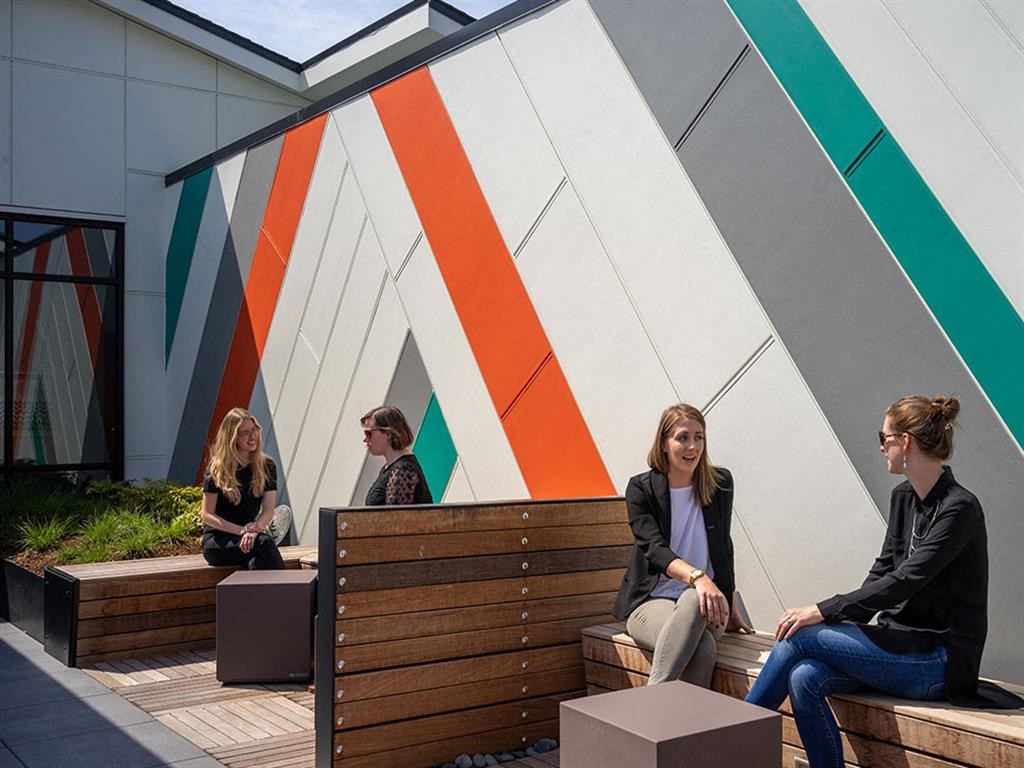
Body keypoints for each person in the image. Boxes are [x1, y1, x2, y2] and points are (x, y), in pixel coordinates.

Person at [745, 395, 1023, 768]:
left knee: (799, 637)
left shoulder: (960, 508)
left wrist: (823, 611)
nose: (880, 446)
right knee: (805, 677)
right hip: (896, 647)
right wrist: (846, 625)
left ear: (905, 441)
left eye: (885, 436)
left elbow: (908, 579)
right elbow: (883, 571)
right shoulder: (903, 497)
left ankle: (723, 743)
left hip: (938, 661)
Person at [612, 403, 753, 689]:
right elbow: (654, 548)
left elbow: (724, 546)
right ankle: (687, 728)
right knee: (701, 649)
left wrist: (732, 603)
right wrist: (698, 577)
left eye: (699, 437)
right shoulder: (641, 488)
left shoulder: (720, 483)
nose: (693, 446)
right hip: (650, 601)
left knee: (693, 600)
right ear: (664, 443)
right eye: (683, 437)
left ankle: (652, 706)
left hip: (710, 604)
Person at [200, 407, 285, 570]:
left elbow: (269, 510)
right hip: (219, 541)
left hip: (250, 539)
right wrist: (242, 531)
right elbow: (207, 514)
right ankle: (293, 593)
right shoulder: (217, 468)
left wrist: (255, 529)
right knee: (265, 542)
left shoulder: (267, 466)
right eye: (245, 433)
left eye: (254, 430)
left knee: (257, 564)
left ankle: (271, 595)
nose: (252, 436)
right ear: (232, 437)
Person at [361, 405, 433, 506]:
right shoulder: (391, 468)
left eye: (369, 434)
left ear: (388, 434)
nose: (365, 439)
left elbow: (394, 518)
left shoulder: (403, 469)